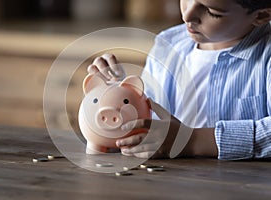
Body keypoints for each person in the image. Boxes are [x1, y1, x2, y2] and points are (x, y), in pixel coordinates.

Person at [87, 0, 271, 160]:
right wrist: (117, 95)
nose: (187, 15)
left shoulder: (266, 57)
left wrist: (192, 141)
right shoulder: (168, 44)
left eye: (212, 12)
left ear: (262, 15)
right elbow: (147, 122)